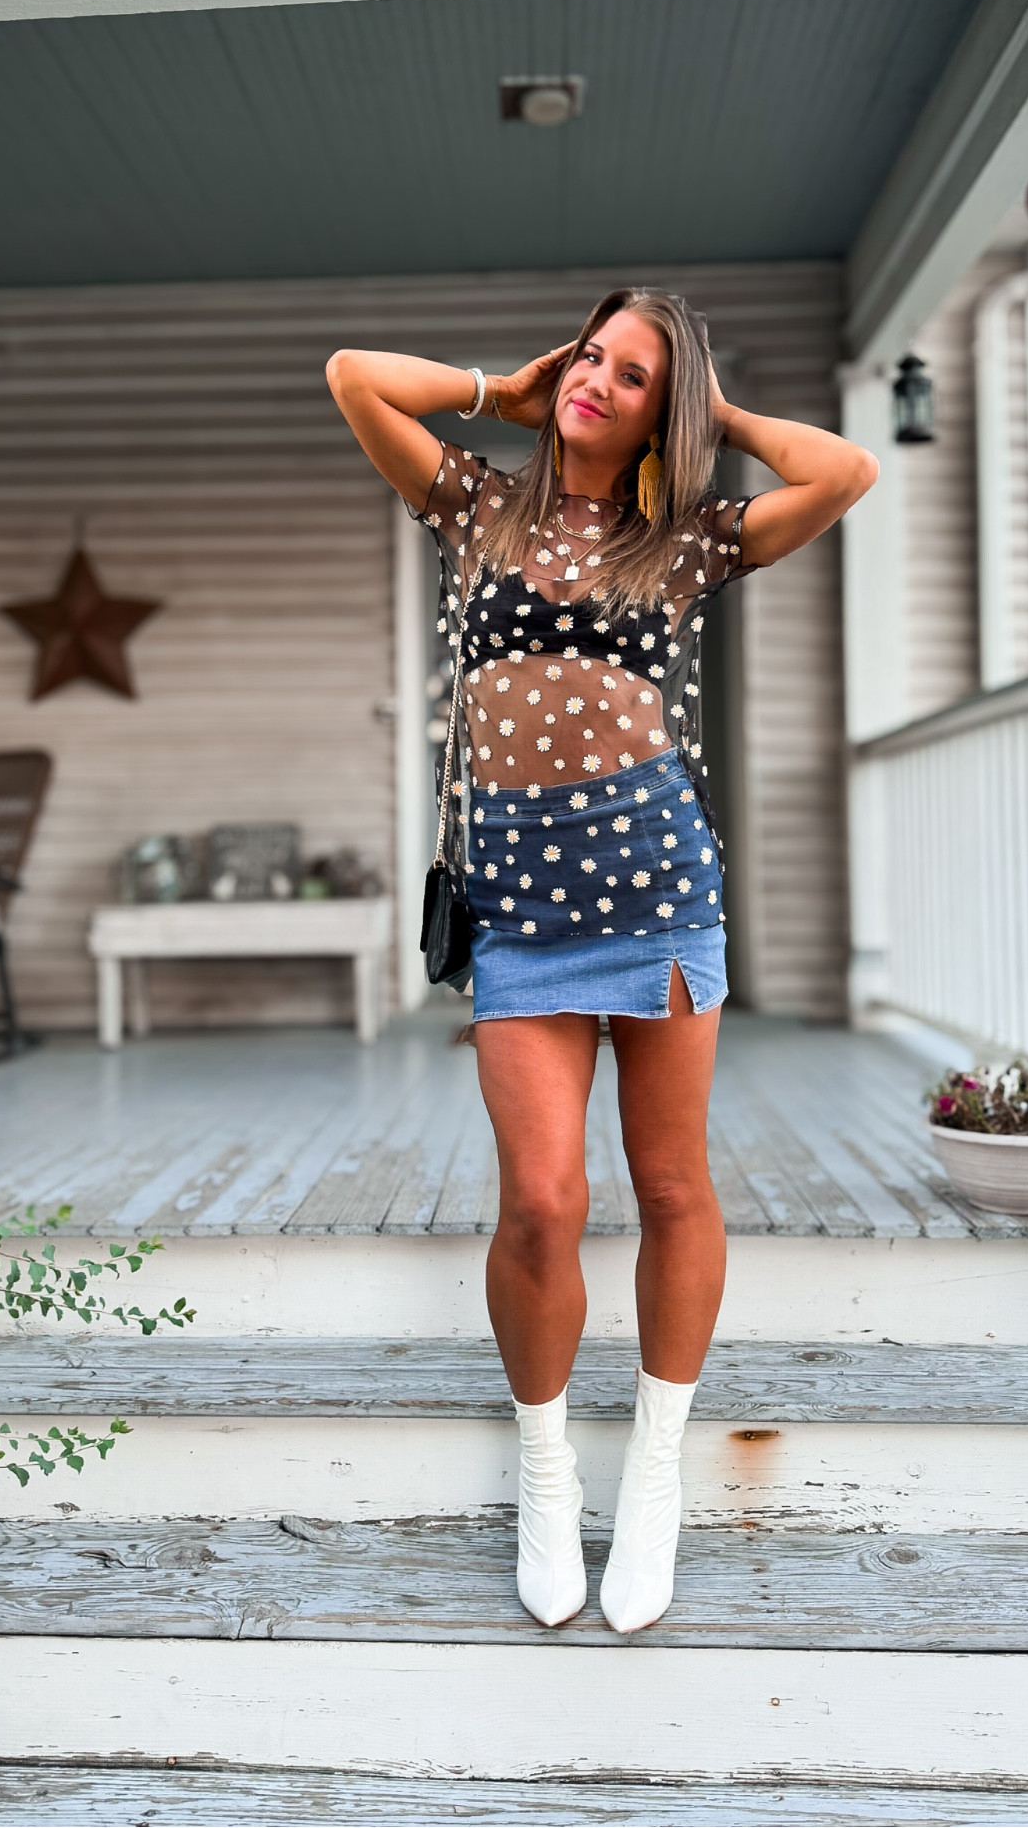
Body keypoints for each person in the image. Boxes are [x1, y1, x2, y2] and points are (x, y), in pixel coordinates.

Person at [326, 288, 877, 1633]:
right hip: (521, 906)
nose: (597, 381)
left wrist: (716, 413)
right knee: (542, 1204)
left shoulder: (691, 537)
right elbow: (352, 375)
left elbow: (846, 470)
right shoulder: (474, 504)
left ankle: (657, 1474)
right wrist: (491, 391)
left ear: (657, 410)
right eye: (592, 355)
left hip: (658, 890)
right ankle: (544, 1461)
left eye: (633, 377)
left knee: (674, 1183)